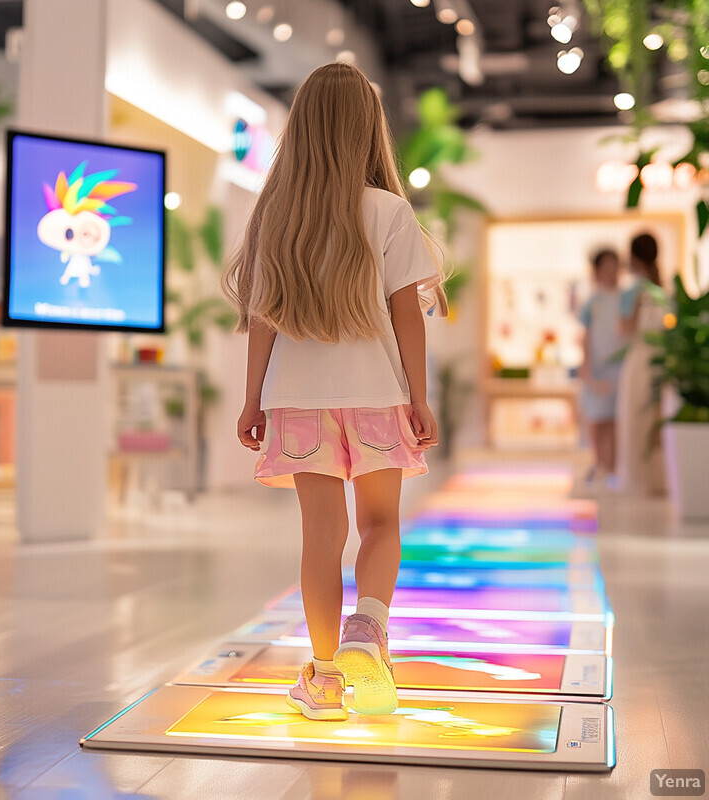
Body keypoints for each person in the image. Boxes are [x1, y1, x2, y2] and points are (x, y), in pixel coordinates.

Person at [222, 63, 446, 721]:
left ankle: (322, 681)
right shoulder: (388, 211)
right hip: (377, 395)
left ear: (302, 129)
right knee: (381, 524)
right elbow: (408, 313)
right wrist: (419, 396)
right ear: (366, 130)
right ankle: (367, 631)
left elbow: (261, 317)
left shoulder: (277, 216)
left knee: (321, 533)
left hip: (296, 400)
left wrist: (252, 399)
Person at [615, 232, 667, 495]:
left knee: (636, 418)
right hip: (662, 360)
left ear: (634, 256)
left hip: (640, 360)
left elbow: (625, 329)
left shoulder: (635, 290)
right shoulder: (662, 289)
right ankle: (659, 478)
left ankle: (639, 479)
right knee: (656, 418)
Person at [578, 248, 626, 487]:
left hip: (620, 369)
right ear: (596, 271)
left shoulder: (625, 298)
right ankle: (599, 463)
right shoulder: (591, 303)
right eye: (606, 267)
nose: (611, 271)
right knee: (597, 419)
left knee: (615, 420)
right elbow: (585, 338)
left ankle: (613, 467)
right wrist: (586, 370)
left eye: (614, 266)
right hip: (597, 369)